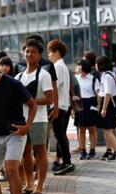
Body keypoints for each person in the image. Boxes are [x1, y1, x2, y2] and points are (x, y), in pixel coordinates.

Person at [0, 47, 37, 194]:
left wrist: (28, 126)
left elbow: (32, 105)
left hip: (15, 132)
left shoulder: (12, 84)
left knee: (11, 168)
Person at [15, 38, 53, 194]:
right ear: (23, 53)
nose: (30, 54)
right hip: (21, 120)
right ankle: (29, 183)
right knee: (24, 153)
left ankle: (40, 186)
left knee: (40, 152)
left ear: (39, 56)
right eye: (27, 51)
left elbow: (49, 99)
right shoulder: (18, 76)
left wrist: (30, 102)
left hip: (39, 119)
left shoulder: (44, 74)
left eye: (33, 52)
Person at [47, 39, 75, 175]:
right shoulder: (62, 66)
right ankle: (64, 161)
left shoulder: (58, 67)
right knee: (61, 135)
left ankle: (67, 161)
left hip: (59, 105)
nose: (49, 55)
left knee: (60, 135)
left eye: (50, 52)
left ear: (57, 52)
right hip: (64, 104)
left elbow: (54, 86)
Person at [96, 56, 116, 161]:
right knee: (106, 129)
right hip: (107, 103)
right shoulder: (106, 74)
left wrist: (104, 109)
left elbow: (107, 93)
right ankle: (108, 151)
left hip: (108, 104)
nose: (96, 66)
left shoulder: (107, 76)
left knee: (108, 130)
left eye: (97, 64)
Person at [75, 59, 99, 160]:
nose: (77, 67)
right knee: (81, 129)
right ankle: (83, 150)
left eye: (79, 65)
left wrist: (99, 106)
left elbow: (98, 94)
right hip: (80, 103)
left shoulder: (93, 79)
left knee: (92, 128)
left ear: (83, 67)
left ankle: (92, 150)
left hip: (91, 103)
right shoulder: (76, 78)